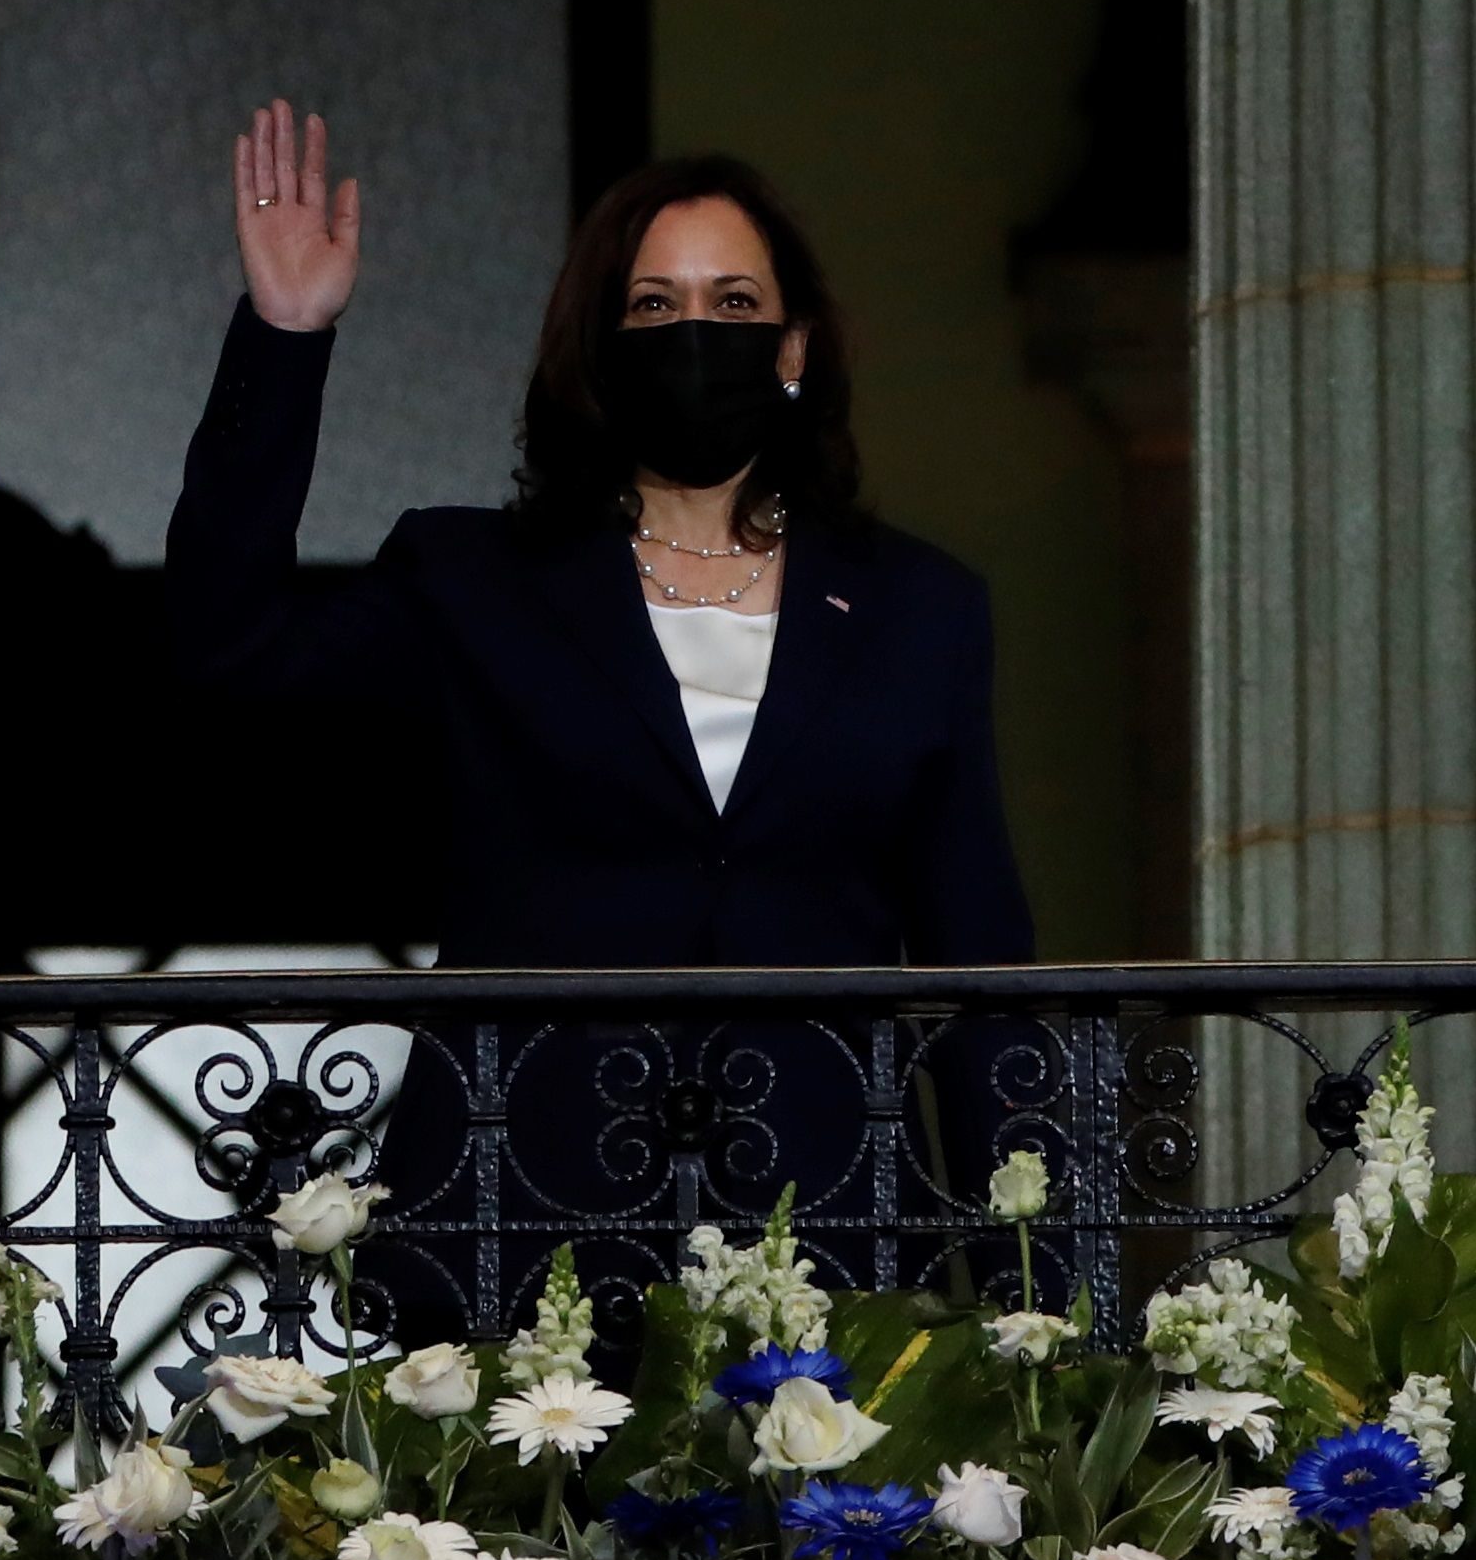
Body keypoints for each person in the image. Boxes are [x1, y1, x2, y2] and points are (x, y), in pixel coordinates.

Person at [170, 100, 1037, 1335]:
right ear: (601, 348)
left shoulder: (919, 608)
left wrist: (1044, 1307)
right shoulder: (474, 579)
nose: (696, 333)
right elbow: (227, 645)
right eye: (654, 306)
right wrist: (285, 335)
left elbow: (984, 958)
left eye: (734, 305)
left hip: (828, 1232)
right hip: (523, 1222)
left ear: (792, 348)